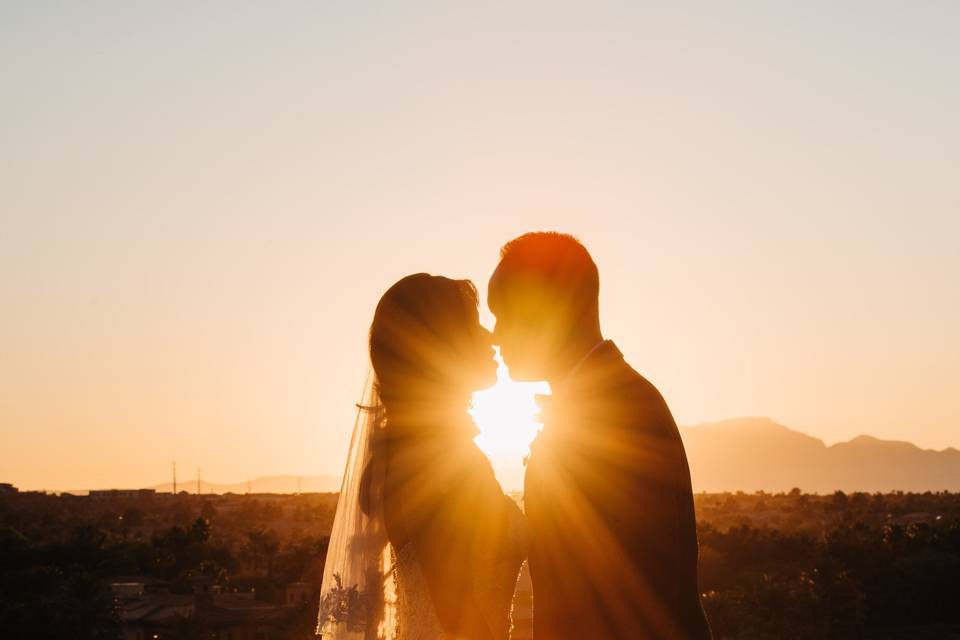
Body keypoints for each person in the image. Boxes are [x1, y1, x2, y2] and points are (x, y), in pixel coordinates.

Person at [488, 232, 712, 639]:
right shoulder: (608, 399)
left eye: (502, 314)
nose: (495, 334)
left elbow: (634, 595)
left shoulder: (619, 414)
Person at [318, 274, 526, 640]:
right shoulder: (429, 459)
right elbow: (457, 610)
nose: (491, 336)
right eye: (474, 324)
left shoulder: (434, 451)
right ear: (441, 344)